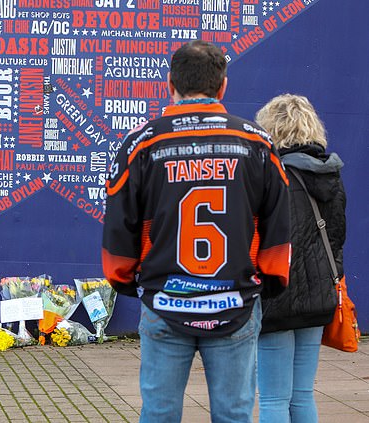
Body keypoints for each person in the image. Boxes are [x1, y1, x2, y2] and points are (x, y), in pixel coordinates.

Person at [102, 40, 291, 423]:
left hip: (164, 301)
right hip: (235, 302)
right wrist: (267, 281)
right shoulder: (256, 142)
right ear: (223, 87)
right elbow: (280, 222)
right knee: (234, 415)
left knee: (158, 414)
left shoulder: (142, 143)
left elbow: (120, 224)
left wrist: (126, 280)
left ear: (169, 83)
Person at [255, 94, 346, 423]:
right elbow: (336, 238)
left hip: (276, 297)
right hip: (318, 297)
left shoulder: (271, 176)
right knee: (302, 394)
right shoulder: (330, 176)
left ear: (272, 128)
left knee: (273, 399)